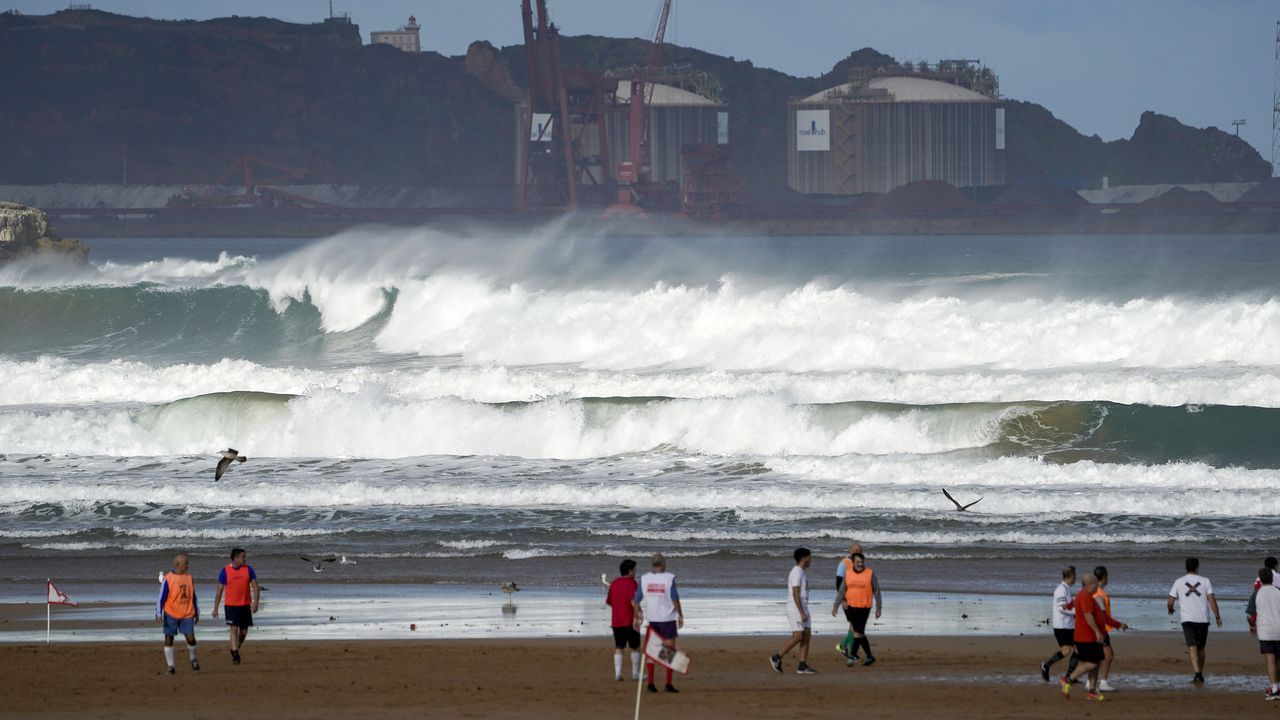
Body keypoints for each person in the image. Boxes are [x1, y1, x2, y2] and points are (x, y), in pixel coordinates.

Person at [1060, 572, 1127, 701]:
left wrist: (1118, 624)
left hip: (1089, 637)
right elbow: (1088, 615)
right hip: (1086, 637)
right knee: (1091, 664)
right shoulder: (1085, 596)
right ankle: (1068, 679)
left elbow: (1100, 616)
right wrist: (1097, 632)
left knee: (1095, 664)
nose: (1098, 586)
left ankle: (1092, 691)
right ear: (1090, 584)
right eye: (1096, 583)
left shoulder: (1086, 596)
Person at [633, 553, 684, 693]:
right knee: (669, 651)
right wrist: (680, 614)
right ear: (664, 564)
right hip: (667, 619)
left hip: (653, 619)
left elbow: (637, 599)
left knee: (652, 652)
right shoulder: (669, 578)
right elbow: (674, 597)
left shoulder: (644, 579)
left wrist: (635, 617)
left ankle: (651, 683)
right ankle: (667, 683)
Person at [1167, 556, 1222, 684]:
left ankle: (1197, 673)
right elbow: (1212, 600)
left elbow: (1170, 601)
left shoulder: (1179, 581)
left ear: (1186, 567)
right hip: (1203, 619)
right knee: (1201, 648)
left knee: (1192, 646)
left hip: (1187, 620)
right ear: (1197, 567)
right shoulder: (1206, 581)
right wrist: (1217, 616)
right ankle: (1200, 673)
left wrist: (1170, 609)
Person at [830, 551, 880, 666]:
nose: (860, 564)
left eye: (862, 562)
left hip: (864, 607)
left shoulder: (870, 574)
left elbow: (877, 591)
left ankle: (851, 655)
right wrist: (836, 605)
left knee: (857, 632)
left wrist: (878, 608)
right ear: (852, 563)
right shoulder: (848, 574)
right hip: (851, 607)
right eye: (857, 562)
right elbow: (842, 591)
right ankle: (868, 656)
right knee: (859, 632)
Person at [212, 547, 260, 665]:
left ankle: (235, 649)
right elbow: (219, 591)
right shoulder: (225, 571)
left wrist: (256, 602)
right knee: (234, 629)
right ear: (236, 558)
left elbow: (255, 586)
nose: (245, 559)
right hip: (231, 606)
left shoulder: (249, 570)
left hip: (245, 605)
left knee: (243, 632)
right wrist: (215, 608)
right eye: (243, 557)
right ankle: (235, 654)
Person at [772, 547, 816, 674]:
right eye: (809, 557)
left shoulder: (802, 572)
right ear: (803, 558)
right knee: (798, 636)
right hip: (796, 608)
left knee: (807, 636)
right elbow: (795, 592)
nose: (810, 560)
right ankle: (777, 657)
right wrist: (801, 612)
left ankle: (802, 665)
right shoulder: (796, 571)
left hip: (804, 607)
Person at [156, 552, 200, 675]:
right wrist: (158, 613)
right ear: (177, 564)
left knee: (191, 639)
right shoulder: (168, 578)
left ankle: (193, 659)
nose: (187, 566)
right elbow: (161, 598)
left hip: (187, 614)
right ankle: (171, 666)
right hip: (171, 614)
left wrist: (197, 611)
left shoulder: (189, 578)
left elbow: (193, 596)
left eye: (187, 563)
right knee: (169, 638)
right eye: (185, 564)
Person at [1246, 567, 1280, 701]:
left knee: (1270, 659)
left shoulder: (1257, 594)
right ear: (1272, 578)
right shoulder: (1278, 592)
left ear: (1260, 579)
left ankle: (1274, 688)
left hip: (1265, 631)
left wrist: (1253, 626)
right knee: (1278, 659)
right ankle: (1278, 686)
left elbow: (1249, 615)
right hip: (1279, 630)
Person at [1040, 565, 1079, 682]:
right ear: (1070, 576)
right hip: (1062, 627)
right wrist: (1075, 612)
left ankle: (1068, 675)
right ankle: (1048, 667)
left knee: (1074, 650)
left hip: (1068, 625)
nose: (1075, 579)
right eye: (1074, 576)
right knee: (1069, 651)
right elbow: (1061, 607)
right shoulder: (1061, 589)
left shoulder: (1066, 589)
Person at [605, 558, 641, 681]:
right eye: (634, 570)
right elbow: (633, 601)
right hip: (630, 620)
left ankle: (618, 674)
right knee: (635, 647)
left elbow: (609, 601)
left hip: (616, 621)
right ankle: (635, 673)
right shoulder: (632, 583)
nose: (635, 572)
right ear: (630, 571)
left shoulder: (614, 583)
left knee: (619, 647)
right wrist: (639, 613)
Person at [834, 542, 862, 661]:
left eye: (860, 551)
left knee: (854, 625)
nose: (858, 552)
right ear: (850, 551)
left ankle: (845, 647)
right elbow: (838, 582)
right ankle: (848, 650)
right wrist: (843, 599)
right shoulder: (844, 563)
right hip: (847, 599)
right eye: (856, 550)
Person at [1092, 566, 1119, 692]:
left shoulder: (1095, 592)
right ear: (1103, 577)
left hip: (1098, 630)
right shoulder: (1100, 594)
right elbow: (1100, 615)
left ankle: (1092, 681)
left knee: (1099, 657)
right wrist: (1117, 624)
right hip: (1100, 630)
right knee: (1109, 655)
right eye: (1107, 575)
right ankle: (1102, 682)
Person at [1248, 557, 1280, 628]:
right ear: (1275, 566)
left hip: (1262, 617)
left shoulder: (1258, 579)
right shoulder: (1278, 577)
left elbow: (1255, 598)